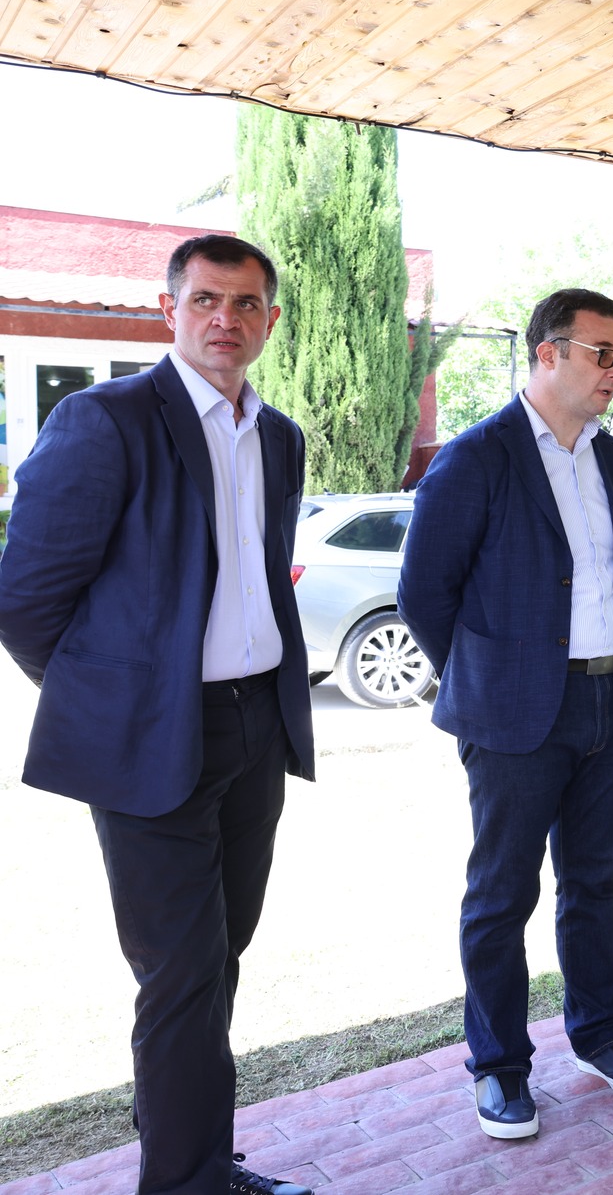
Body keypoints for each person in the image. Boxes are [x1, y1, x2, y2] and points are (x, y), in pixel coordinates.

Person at [0, 235, 314, 1195]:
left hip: (256, 729)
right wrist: (119, 701)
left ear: (269, 320)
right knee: (180, 975)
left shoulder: (279, 437)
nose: (227, 318)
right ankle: (187, 1181)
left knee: (220, 956)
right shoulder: (105, 420)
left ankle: (191, 1148)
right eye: (207, 298)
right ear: (168, 309)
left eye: (247, 302)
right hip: (154, 739)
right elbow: (26, 599)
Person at [398, 289, 613, 1141]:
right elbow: (423, 592)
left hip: (610, 698)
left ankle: (599, 1032)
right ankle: (501, 1065)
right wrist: (489, 677)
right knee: (501, 893)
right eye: (601, 353)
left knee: (596, 882)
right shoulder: (477, 456)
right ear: (548, 353)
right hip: (513, 714)